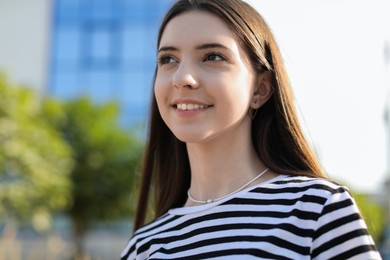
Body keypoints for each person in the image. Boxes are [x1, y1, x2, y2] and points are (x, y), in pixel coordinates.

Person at [121, 0, 381, 259]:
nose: (182, 78)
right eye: (168, 59)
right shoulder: (144, 246)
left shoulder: (317, 210)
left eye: (213, 57)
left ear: (261, 89)